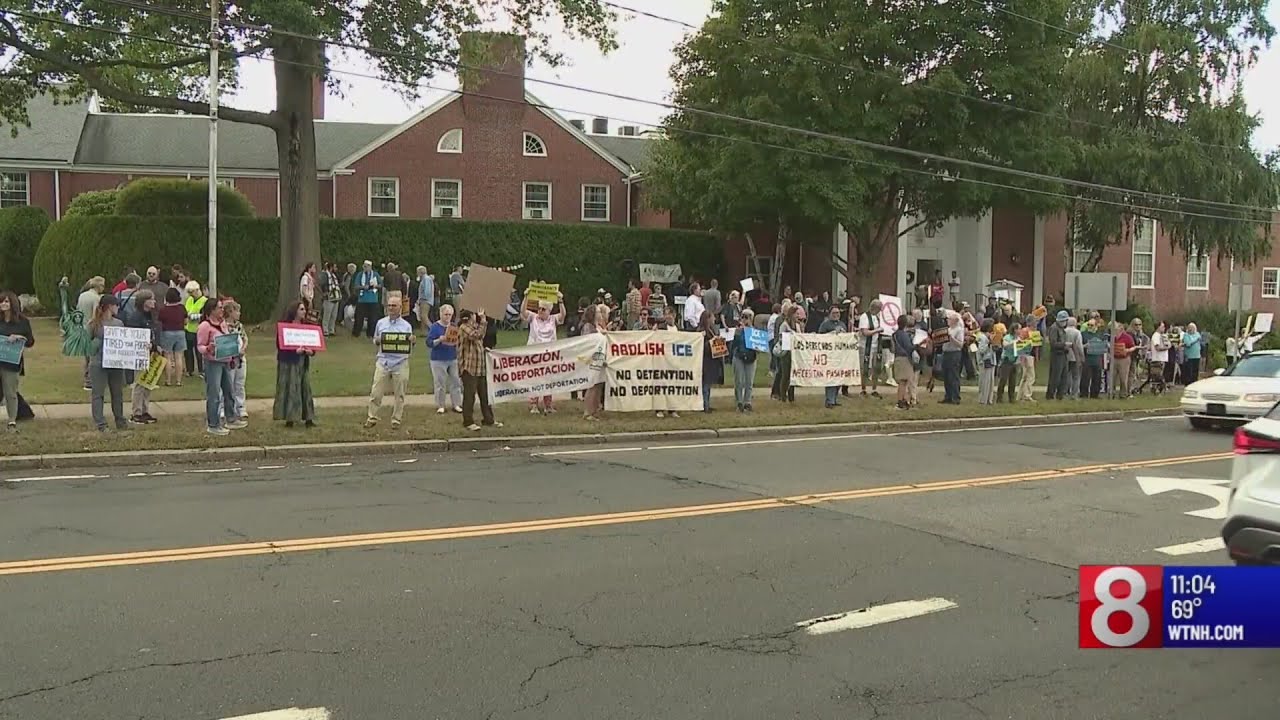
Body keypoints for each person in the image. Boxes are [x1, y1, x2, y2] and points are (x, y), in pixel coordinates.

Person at [196, 300, 246, 436]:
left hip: (225, 361)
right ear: (211, 310)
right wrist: (208, 348)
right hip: (213, 363)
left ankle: (231, 418)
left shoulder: (223, 324)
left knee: (229, 391)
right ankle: (213, 424)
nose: (222, 310)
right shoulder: (205, 326)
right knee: (214, 394)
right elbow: (200, 346)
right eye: (219, 308)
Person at [365, 294, 414, 429]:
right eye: (389, 305)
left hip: (400, 362)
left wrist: (412, 341)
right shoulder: (381, 323)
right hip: (383, 361)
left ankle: (396, 419)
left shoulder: (406, 326)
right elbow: (375, 340)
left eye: (394, 306)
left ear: (400, 308)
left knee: (400, 394)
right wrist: (377, 340)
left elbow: (409, 345)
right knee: (376, 392)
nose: (391, 308)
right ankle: (372, 417)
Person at [87, 295, 130, 432]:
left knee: (117, 393)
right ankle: (101, 424)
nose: (118, 308)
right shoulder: (93, 324)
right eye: (116, 305)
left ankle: (120, 421)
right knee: (98, 394)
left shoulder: (119, 323)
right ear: (109, 306)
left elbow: (127, 342)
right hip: (99, 363)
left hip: (116, 363)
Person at [521, 290, 566, 414]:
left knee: (548, 379)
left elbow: (562, 316)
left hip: (549, 355)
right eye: (539, 308)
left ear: (549, 310)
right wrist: (526, 297)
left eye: (543, 309)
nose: (540, 311)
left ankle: (548, 405)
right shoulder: (533, 317)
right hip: (535, 355)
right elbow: (523, 313)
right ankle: (534, 404)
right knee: (535, 379)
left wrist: (560, 301)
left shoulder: (553, 319)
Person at [457, 308, 503, 431]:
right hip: (469, 368)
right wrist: (483, 321)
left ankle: (489, 419)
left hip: (480, 368)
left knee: (485, 395)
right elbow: (476, 336)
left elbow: (481, 338)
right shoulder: (464, 327)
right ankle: (468, 421)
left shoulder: (476, 326)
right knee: (469, 396)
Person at [274, 301, 317, 428]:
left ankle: (308, 418)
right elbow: (280, 345)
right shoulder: (285, 327)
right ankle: (290, 418)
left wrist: (311, 351)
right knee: (291, 388)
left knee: (305, 388)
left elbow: (312, 343)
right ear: (295, 311)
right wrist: (294, 351)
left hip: (302, 362)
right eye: (302, 309)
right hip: (288, 362)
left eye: (304, 309)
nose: (304, 312)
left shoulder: (306, 326)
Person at [126, 290, 161, 425]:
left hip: (150, 353)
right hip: (139, 354)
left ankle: (145, 410)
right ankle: (136, 412)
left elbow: (152, 332)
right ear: (144, 301)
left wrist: (156, 345)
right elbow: (134, 337)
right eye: (151, 299)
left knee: (148, 383)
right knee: (139, 384)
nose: (154, 302)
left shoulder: (149, 316)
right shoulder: (136, 317)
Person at [0, 291, 34, 430]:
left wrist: (20, 338)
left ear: (12, 304)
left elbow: (30, 341)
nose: (3, 304)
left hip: (12, 362)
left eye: (6, 301)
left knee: (10, 392)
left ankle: (12, 420)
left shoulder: (23, 322)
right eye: (1, 301)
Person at [426, 304, 463, 414]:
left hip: (452, 357)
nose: (447, 317)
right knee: (440, 383)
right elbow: (429, 343)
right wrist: (439, 340)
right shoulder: (435, 327)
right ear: (441, 314)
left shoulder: (453, 327)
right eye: (446, 314)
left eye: (450, 315)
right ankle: (440, 405)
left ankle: (456, 404)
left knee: (456, 382)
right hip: (438, 359)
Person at [580, 304, 608, 420]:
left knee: (598, 385)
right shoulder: (588, 326)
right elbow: (588, 343)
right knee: (592, 386)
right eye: (597, 312)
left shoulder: (597, 326)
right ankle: (587, 412)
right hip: (592, 360)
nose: (599, 314)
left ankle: (594, 410)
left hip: (599, 359)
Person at [223, 300, 249, 421]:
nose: (239, 313)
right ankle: (225, 407)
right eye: (237, 311)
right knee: (228, 384)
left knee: (240, 383)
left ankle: (241, 407)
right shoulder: (223, 326)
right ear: (230, 312)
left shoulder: (239, 325)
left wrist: (243, 348)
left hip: (240, 358)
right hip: (229, 359)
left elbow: (244, 338)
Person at [157, 287, 187, 387]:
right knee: (178, 357)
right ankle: (178, 381)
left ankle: (168, 380)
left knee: (167, 356)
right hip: (180, 332)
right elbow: (186, 321)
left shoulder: (163, 309)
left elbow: (160, 322)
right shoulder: (182, 308)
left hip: (167, 333)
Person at [817, 304, 846, 408]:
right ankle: (829, 400)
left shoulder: (842, 324)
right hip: (829, 355)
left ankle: (834, 399)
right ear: (829, 314)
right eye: (834, 313)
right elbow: (820, 338)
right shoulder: (825, 325)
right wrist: (833, 333)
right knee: (830, 378)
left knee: (838, 377)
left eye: (838, 313)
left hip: (839, 355)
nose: (836, 315)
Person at [728, 308, 757, 413]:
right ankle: (739, 402)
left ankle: (747, 402)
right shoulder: (738, 331)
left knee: (749, 381)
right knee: (739, 381)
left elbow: (758, 347)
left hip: (751, 358)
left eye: (747, 317)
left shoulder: (755, 331)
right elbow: (733, 345)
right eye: (743, 317)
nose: (745, 319)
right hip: (739, 356)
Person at [858, 299, 883, 398]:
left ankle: (874, 389)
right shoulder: (864, 317)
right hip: (865, 346)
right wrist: (877, 330)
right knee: (865, 368)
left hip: (876, 345)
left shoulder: (878, 317)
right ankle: (863, 389)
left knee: (876, 367)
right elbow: (865, 332)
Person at [698, 310, 722, 412]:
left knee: (708, 384)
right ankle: (704, 405)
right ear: (707, 319)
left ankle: (707, 403)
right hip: (704, 360)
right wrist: (712, 342)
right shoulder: (701, 331)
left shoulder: (711, 330)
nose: (714, 319)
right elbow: (700, 346)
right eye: (712, 317)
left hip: (711, 360)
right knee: (705, 384)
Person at [183, 280, 207, 377]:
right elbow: (185, 311)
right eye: (189, 292)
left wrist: (193, 316)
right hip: (188, 328)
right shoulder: (189, 300)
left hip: (199, 329)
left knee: (199, 352)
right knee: (188, 351)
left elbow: (204, 315)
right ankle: (190, 370)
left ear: (197, 290)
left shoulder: (204, 301)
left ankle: (201, 371)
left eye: (191, 292)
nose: (190, 294)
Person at [352, 260, 382, 338]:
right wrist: (363, 287)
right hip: (362, 299)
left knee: (373, 318)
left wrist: (375, 286)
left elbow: (381, 285)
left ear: (370, 267)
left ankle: (371, 334)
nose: (365, 268)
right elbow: (356, 286)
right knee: (359, 317)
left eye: (366, 266)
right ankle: (356, 333)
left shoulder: (375, 274)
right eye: (364, 266)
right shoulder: (360, 275)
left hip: (373, 299)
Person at [1046, 310, 1070, 400]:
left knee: (1064, 376)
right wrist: (1064, 345)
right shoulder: (1054, 328)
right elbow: (1053, 343)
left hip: (1063, 354)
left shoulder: (1062, 329)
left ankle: (1060, 395)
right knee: (1055, 376)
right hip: (1056, 355)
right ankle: (1050, 395)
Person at [941, 310, 964, 404]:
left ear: (955, 320)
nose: (947, 320)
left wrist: (951, 338)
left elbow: (960, 344)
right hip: (946, 352)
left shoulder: (959, 330)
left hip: (954, 353)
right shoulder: (948, 329)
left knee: (953, 375)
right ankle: (948, 396)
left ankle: (956, 397)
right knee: (946, 375)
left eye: (949, 319)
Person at [976, 318, 996, 405]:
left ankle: (989, 399)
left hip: (991, 360)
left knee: (991, 381)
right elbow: (982, 350)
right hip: (984, 361)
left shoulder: (988, 336)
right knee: (984, 381)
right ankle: (982, 399)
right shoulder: (982, 337)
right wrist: (989, 342)